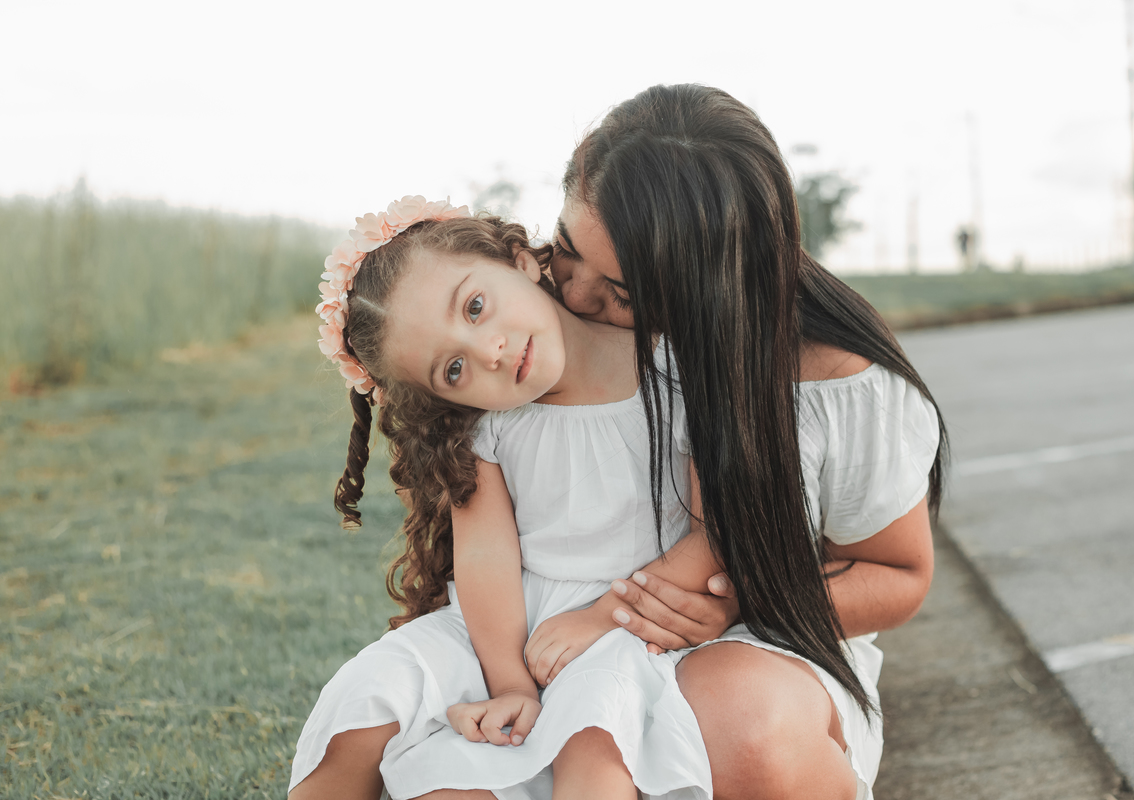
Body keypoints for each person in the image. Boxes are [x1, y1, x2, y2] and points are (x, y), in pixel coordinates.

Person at [545, 83, 947, 799]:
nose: (575, 297)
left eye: (626, 294)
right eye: (567, 250)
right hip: (564, 626)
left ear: (717, 283)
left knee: (732, 725)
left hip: (765, 648)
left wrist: (744, 606)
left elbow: (900, 576)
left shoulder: (838, 384)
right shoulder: (524, 321)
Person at [292, 196, 727, 800]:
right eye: (453, 370)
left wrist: (603, 617)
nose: (488, 352)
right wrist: (511, 683)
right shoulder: (488, 428)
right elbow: (486, 563)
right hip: (501, 629)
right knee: (364, 697)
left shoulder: (677, 371)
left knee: (593, 740)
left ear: (518, 260)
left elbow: (720, 532)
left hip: (631, 624)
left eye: (475, 307)